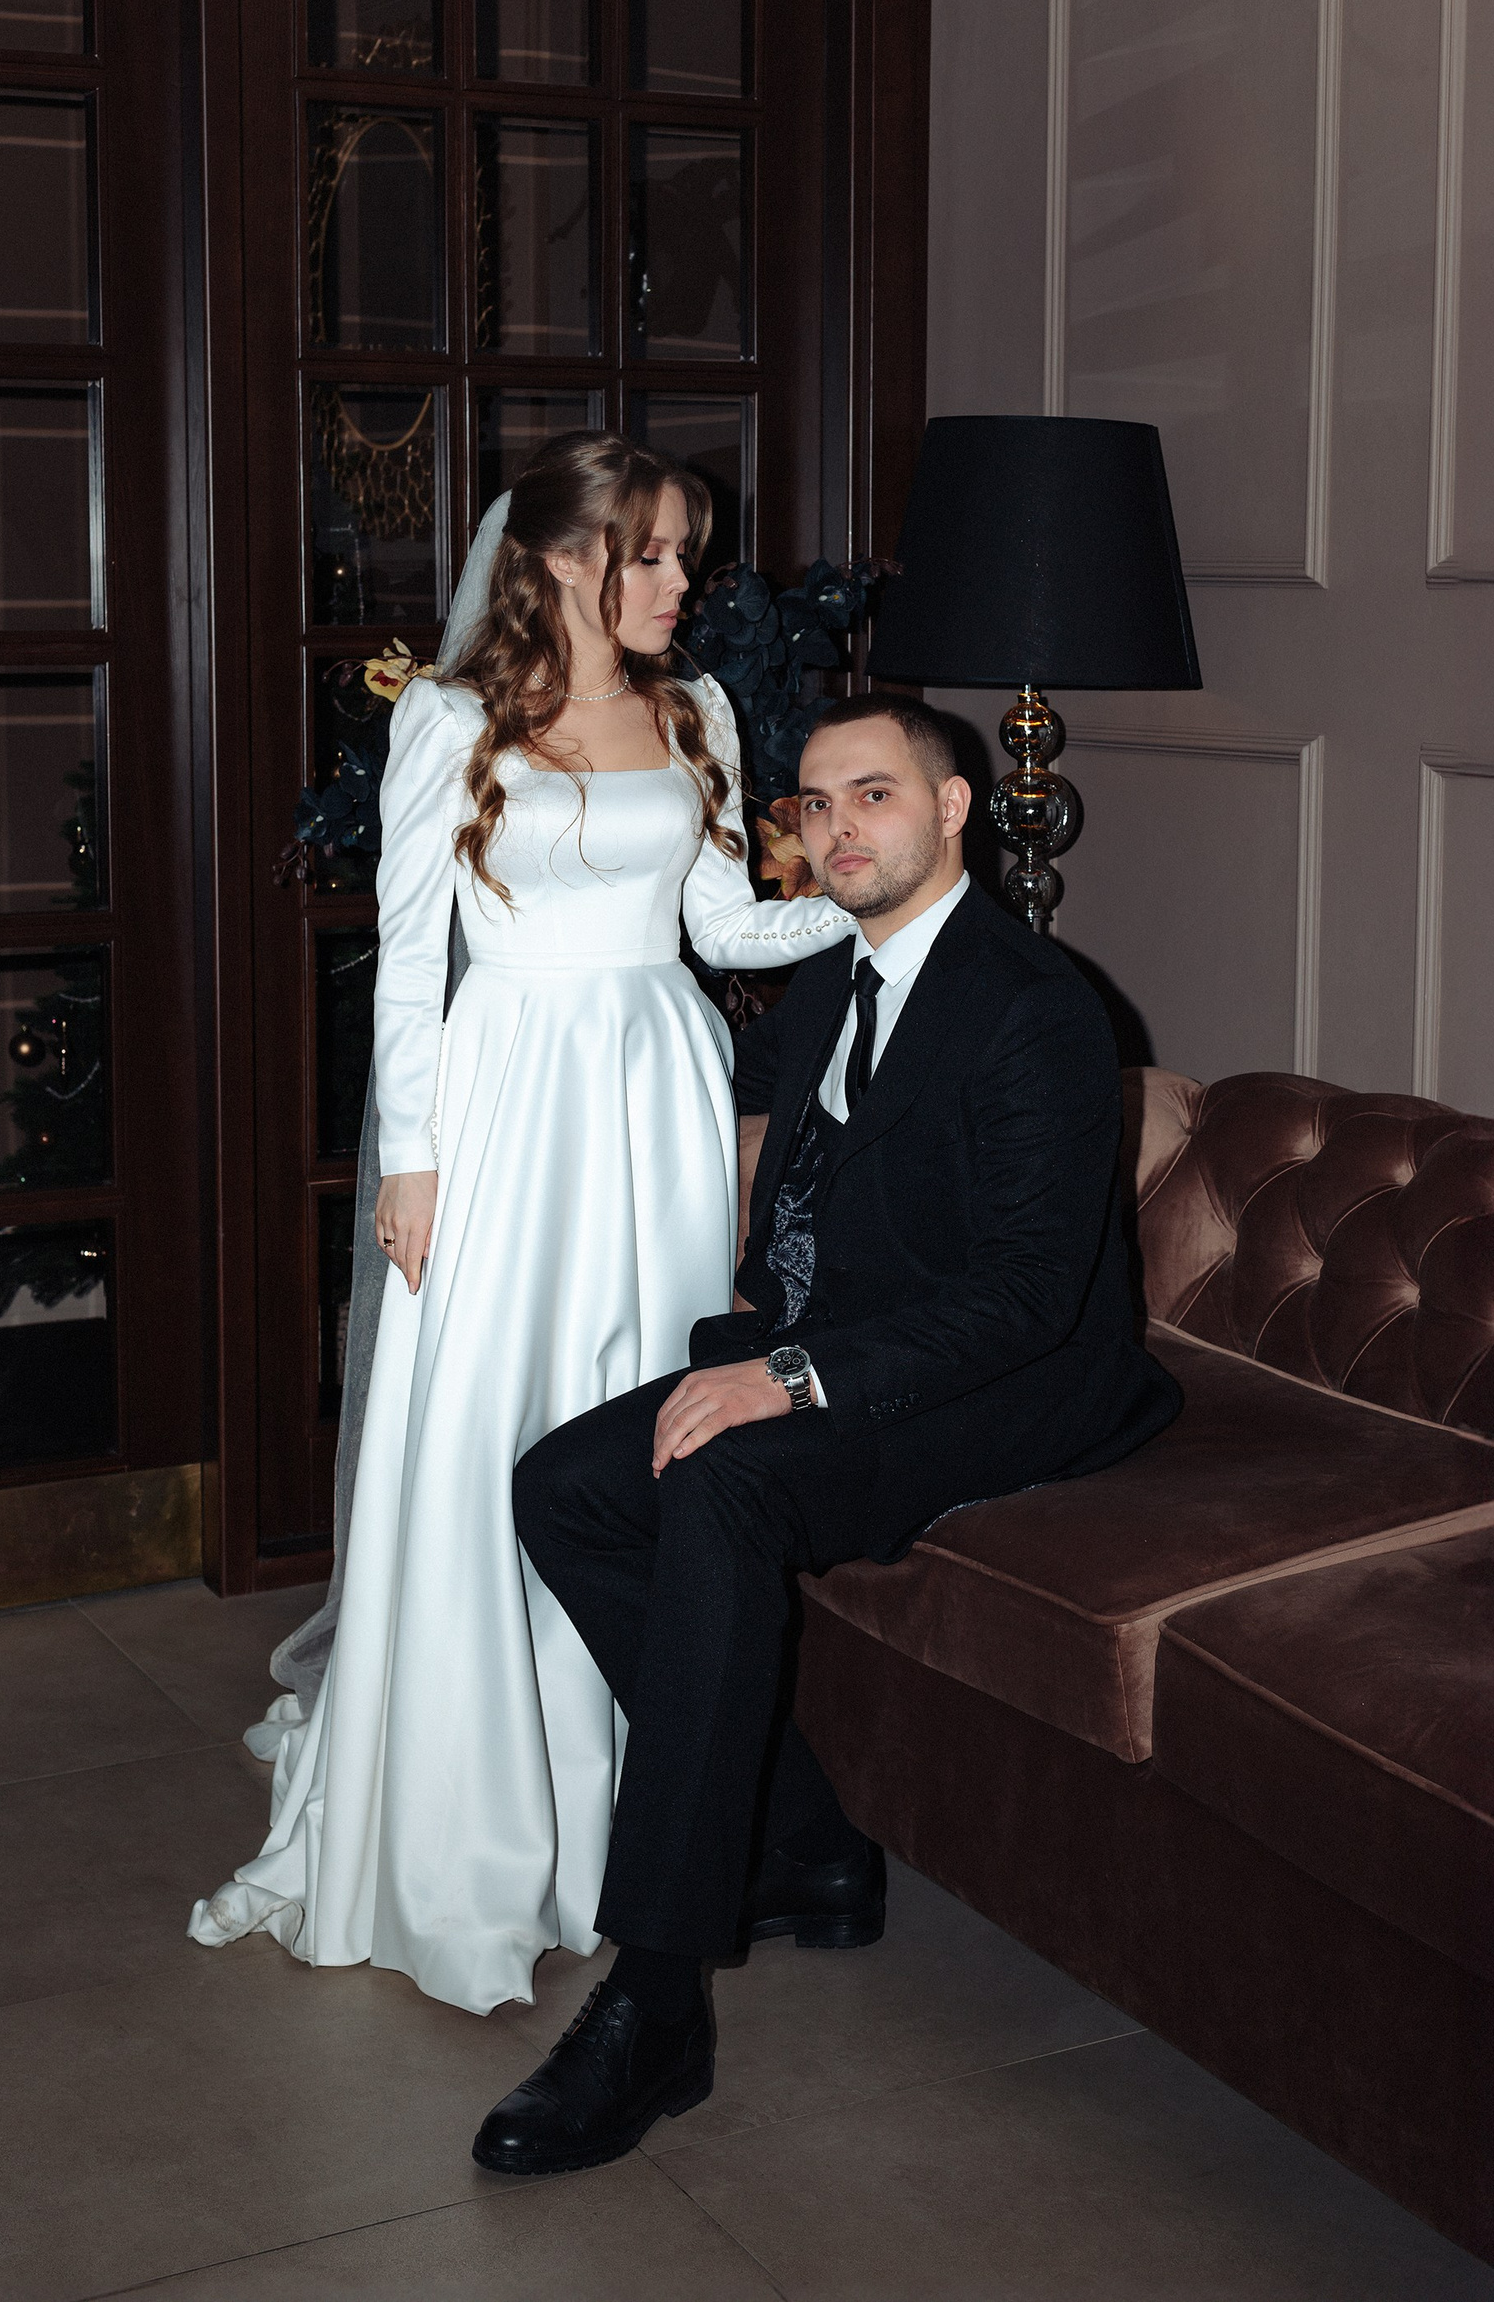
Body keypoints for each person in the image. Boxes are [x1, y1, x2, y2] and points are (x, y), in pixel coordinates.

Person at [472, 691, 1183, 2173]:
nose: (837, 828)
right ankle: (806, 1847)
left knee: (722, 1488)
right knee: (565, 1488)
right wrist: (755, 1327)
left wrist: (789, 1379)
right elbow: (795, 1196)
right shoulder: (826, 991)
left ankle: (656, 1999)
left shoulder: (1036, 1006)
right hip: (857, 1353)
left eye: (874, 794)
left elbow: (1027, 1299)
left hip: (1019, 1382)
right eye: (814, 802)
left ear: (953, 810)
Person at [188, 433, 850, 2012]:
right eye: (652, 553)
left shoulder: (698, 711)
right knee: (487, 1424)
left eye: (687, 554)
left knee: (637, 1425)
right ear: (559, 557)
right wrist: (409, 1163)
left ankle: (628, 1805)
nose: (684, 583)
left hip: (656, 1103)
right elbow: (410, 956)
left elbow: (720, 927)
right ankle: (465, 1820)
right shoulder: (448, 718)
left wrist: (874, 896)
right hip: (500, 1106)